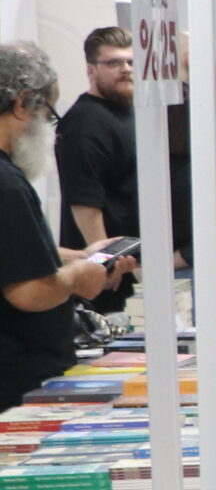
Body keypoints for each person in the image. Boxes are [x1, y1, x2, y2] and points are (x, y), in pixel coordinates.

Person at [0, 44, 132, 413]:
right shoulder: (7, 183)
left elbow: (13, 249)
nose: (49, 126)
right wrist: (79, 277)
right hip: (19, 377)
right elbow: (28, 291)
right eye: (48, 112)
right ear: (23, 104)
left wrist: (79, 255)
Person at [55, 28, 138, 272]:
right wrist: (104, 267)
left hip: (130, 264)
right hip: (104, 275)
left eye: (131, 61)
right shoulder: (85, 123)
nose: (126, 68)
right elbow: (85, 203)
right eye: (114, 62)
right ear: (91, 70)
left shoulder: (127, 113)